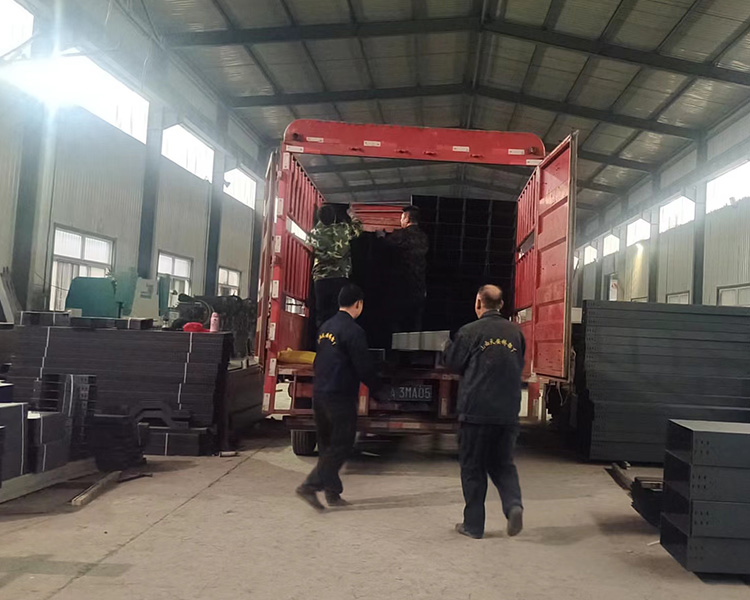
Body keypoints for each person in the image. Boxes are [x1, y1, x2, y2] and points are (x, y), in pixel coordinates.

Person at [443, 285, 526, 539]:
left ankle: (473, 525)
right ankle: (513, 505)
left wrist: (447, 347)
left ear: (479, 302)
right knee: (503, 464)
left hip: (476, 412)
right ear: (501, 305)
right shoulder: (515, 333)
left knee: (473, 468)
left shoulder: (469, 332)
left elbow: (453, 364)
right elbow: (518, 364)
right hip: (507, 412)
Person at [296, 284, 382, 510]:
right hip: (340, 396)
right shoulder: (354, 331)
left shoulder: (325, 327)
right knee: (342, 445)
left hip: (319, 393)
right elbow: (363, 367)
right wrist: (379, 390)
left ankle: (332, 493)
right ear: (359, 304)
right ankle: (310, 485)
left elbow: (319, 360)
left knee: (327, 446)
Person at [310, 204, 362, 328]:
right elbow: (358, 228)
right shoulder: (342, 229)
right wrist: (352, 215)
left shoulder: (315, 233)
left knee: (322, 314)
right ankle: (337, 337)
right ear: (334, 218)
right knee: (338, 313)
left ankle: (322, 337)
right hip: (340, 276)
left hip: (321, 279)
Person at [382, 205, 429, 332]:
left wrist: (381, 235)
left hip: (402, 288)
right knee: (415, 323)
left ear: (407, 219)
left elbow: (385, 245)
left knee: (398, 324)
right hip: (419, 288)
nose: (400, 221)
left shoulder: (400, 235)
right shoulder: (424, 237)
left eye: (402, 218)